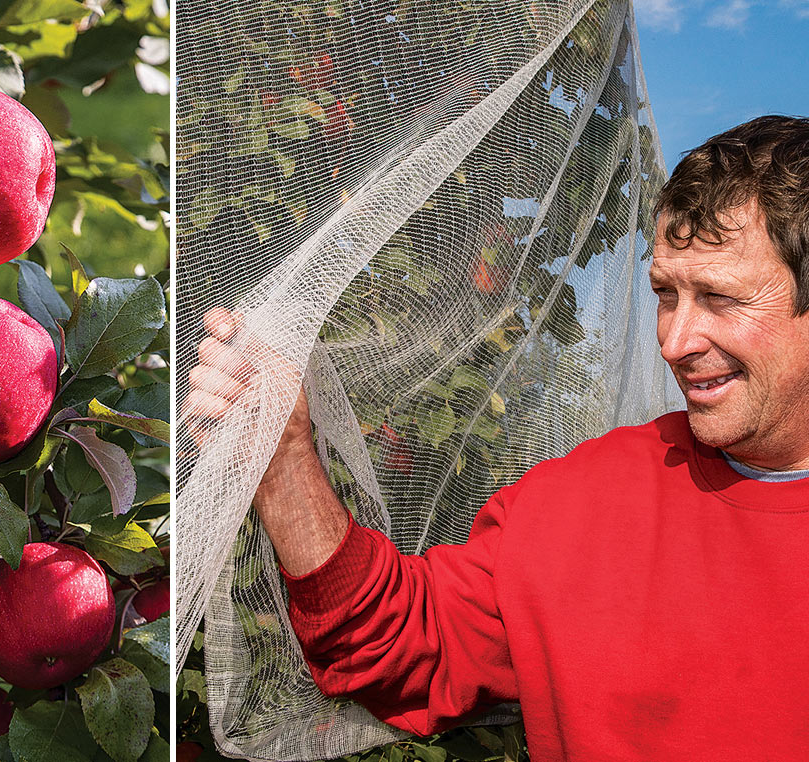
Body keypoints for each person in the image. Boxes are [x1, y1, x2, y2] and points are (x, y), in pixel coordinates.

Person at [184, 115, 809, 760]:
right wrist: (285, 457)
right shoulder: (582, 500)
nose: (676, 343)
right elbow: (398, 645)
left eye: (719, 298)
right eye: (665, 295)